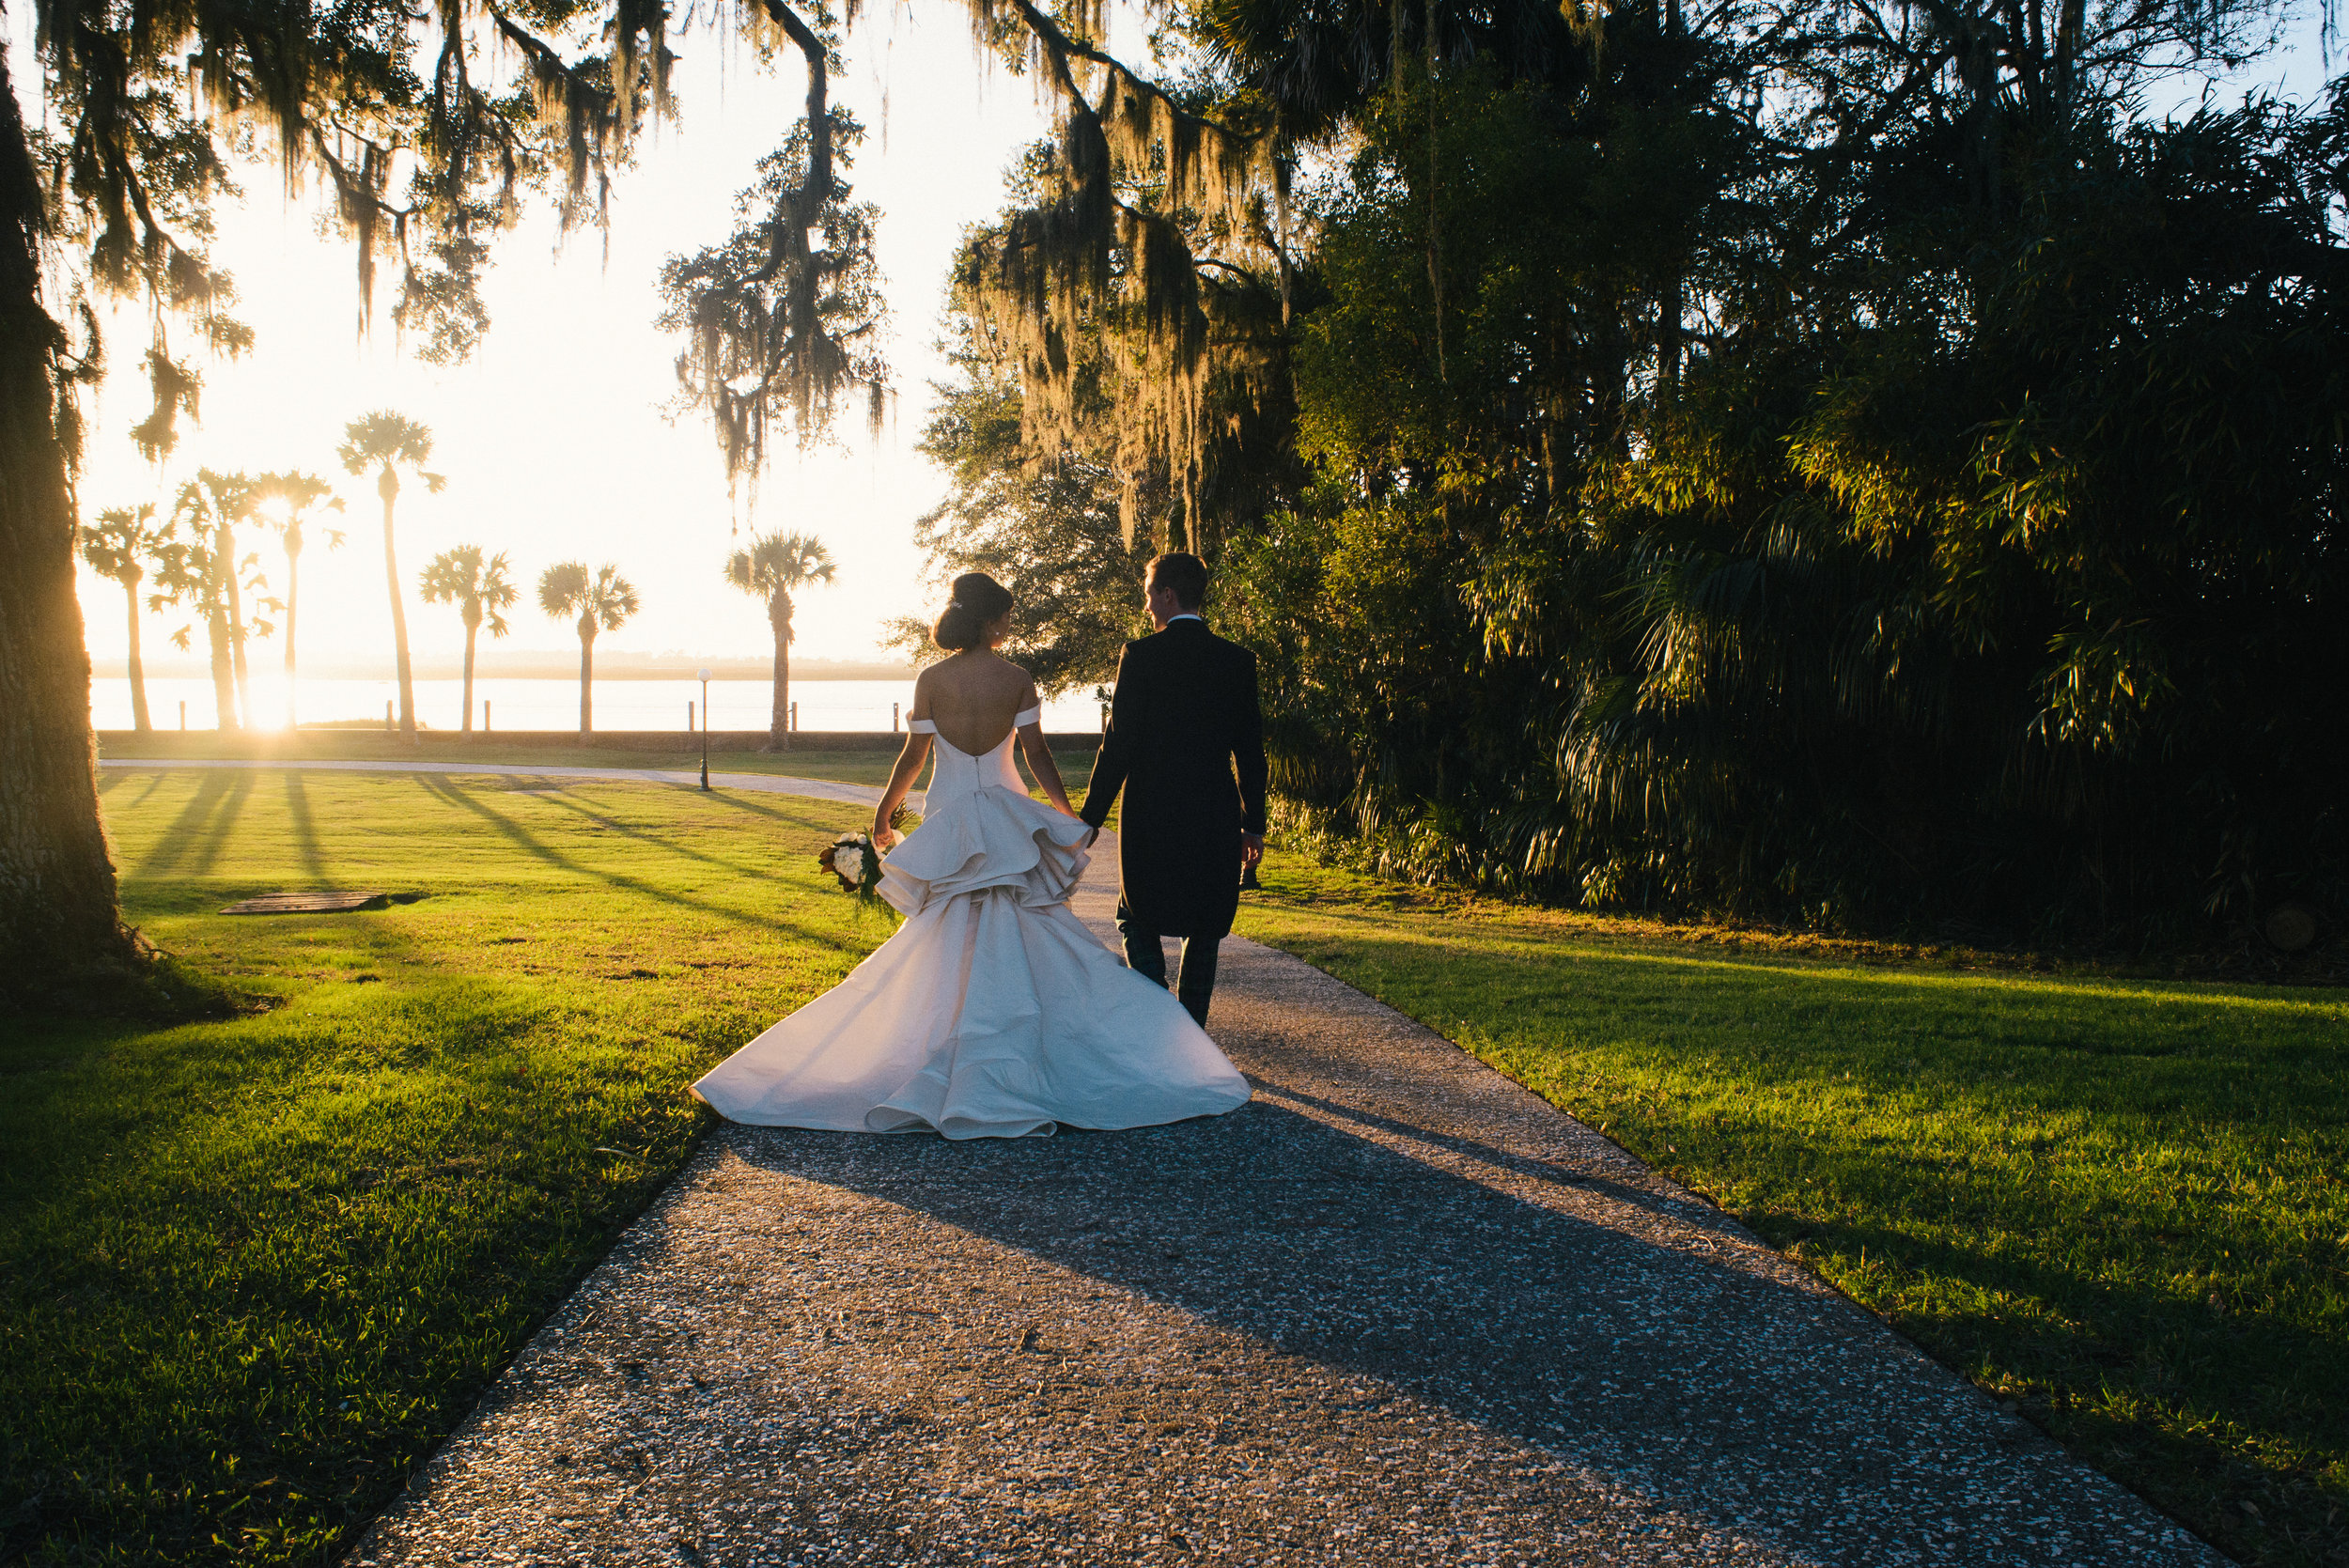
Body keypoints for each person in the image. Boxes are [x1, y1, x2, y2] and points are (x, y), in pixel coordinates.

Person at [691, 571, 1252, 1139]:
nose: (1010, 624)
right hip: (1008, 819)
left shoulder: (931, 679)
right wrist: (1065, 813)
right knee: (1026, 934)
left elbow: (913, 757)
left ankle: (953, 1045)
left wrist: (885, 813)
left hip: (952, 815)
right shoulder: (1017, 678)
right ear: (988, 620)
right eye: (1006, 615)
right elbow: (1035, 754)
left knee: (945, 939)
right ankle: (1030, 1051)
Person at [1078, 552, 1268, 1027]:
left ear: (1167, 594)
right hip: (1213, 812)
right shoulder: (1237, 661)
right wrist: (1254, 825)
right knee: (1203, 926)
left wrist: (1090, 819)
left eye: (1148, 595)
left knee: (1135, 916)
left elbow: (1118, 745)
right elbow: (1250, 752)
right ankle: (1192, 1035)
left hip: (1150, 811)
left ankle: (1162, 1024)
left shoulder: (1140, 656)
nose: (1146, 607)